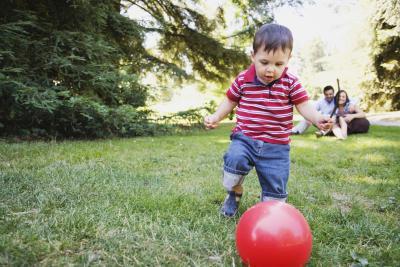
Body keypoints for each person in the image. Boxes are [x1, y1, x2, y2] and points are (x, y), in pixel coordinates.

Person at [204, 23, 332, 217]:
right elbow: (230, 100)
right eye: (264, 62)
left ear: (288, 60)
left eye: (279, 64)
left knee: (275, 191)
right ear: (253, 56)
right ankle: (234, 193)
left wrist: (318, 118)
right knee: (234, 162)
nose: (270, 70)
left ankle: (269, 214)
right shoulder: (242, 79)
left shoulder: (291, 82)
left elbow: (304, 105)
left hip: (277, 146)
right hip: (245, 139)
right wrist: (216, 116)